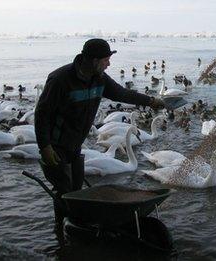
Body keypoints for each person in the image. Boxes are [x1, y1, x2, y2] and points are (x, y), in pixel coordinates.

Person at [34, 38, 165, 225]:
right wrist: (45, 147)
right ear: (94, 61)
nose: (109, 64)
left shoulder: (99, 80)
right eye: (106, 60)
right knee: (64, 189)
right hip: (56, 145)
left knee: (76, 188)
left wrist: (150, 101)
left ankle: (75, 225)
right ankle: (61, 231)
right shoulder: (61, 80)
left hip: (75, 143)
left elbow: (122, 93)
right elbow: (42, 114)